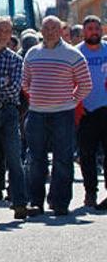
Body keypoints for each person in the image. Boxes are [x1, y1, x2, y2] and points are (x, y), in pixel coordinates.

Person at [22, 15, 92, 216]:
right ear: (41, 31)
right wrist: (37, 96)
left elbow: (85, 84)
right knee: (35, 159)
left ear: (61, 30)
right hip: (36, 114)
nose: (50, 31)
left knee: (63, 159)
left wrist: (71, 100)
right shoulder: (32, 54)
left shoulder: (72, 54)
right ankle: (35, 202)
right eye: (46, 28)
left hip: (63, 114)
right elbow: (25, 82)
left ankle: (60, 202)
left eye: (54, 28)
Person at [0, 17, 28, 219]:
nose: (3, 35)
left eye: (7, 31)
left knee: (14, 158)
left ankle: (19, 203)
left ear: (11, 35)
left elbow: (14, 88)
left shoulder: (16, 59)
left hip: (9, 111)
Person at [76, 15, 107, 210]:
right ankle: (90, 193)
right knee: (86, 155)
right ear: (84, 31)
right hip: (85, 111)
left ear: (101, 30)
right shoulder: (77, 53)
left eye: (96, 28)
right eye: (90, 29)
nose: (93, 31)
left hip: (106, 109)